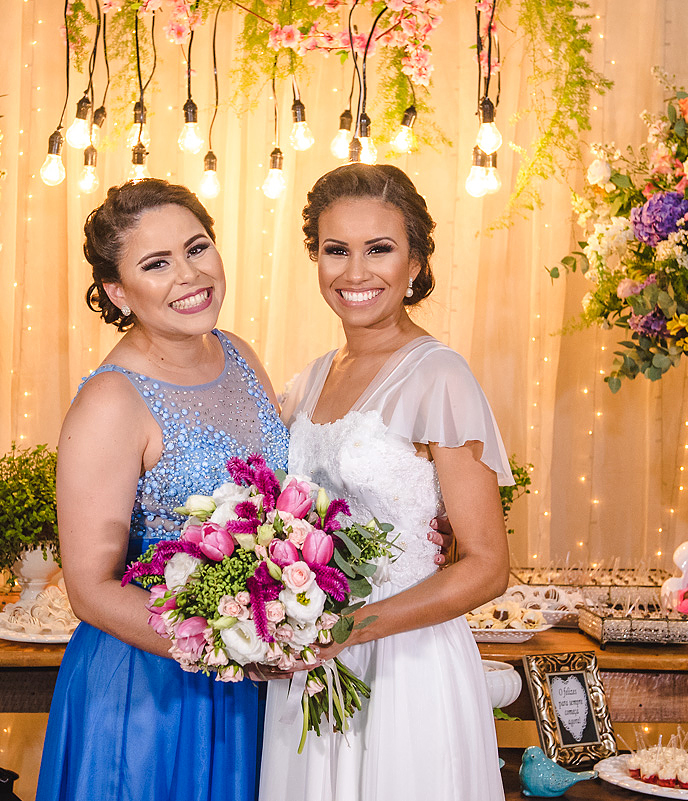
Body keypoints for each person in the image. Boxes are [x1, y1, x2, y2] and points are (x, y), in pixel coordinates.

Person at [259, 163, 512, 801]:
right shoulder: (310, 379)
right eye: (336, 250)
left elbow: (486, 566)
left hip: (406, 668)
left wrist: (346, 631)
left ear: (417, 261)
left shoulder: (440, 376)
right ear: (314, 258)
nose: (355, 272)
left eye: (380, 249)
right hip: (311, 668)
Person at [35, 179, 289, 801]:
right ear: (118, 292)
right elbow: (90, 591)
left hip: (257, 680)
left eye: (196, 248)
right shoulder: (111, 400)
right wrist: (223, 647)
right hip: (150, 693)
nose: (188, 276)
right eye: (156, 264)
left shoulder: (239, 353)